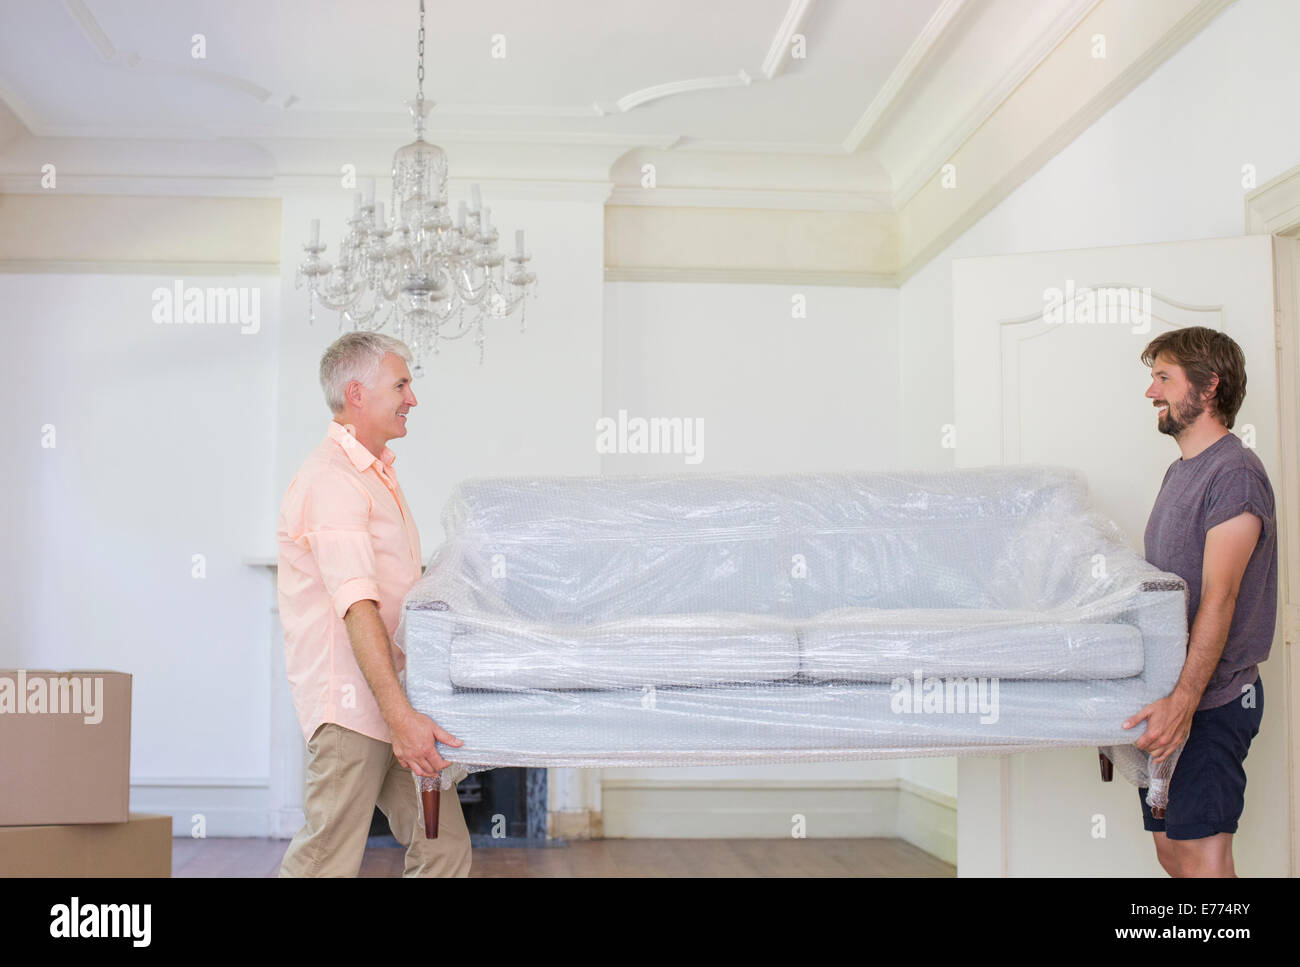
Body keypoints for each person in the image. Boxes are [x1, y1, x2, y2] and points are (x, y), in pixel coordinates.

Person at [276, 331, 471, 877]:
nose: (413, 398)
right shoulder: (332, 481)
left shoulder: (377, 473)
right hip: (354, 711)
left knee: (443, 845)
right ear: (357, 394)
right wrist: (400, 715)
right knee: (326, 858)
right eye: (401, 384)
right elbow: (357, 606)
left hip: (395, 701)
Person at [1125, 326, 1277, 877]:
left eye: (1163, 377)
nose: (1151, 393)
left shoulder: (1234, 473)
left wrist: (1185, 702)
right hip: (1173, 702)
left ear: (1209, 386)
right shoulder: (1181, 471)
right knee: (1172, 850)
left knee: (1204, 858)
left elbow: (1221, 597)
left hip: (1211, 703)